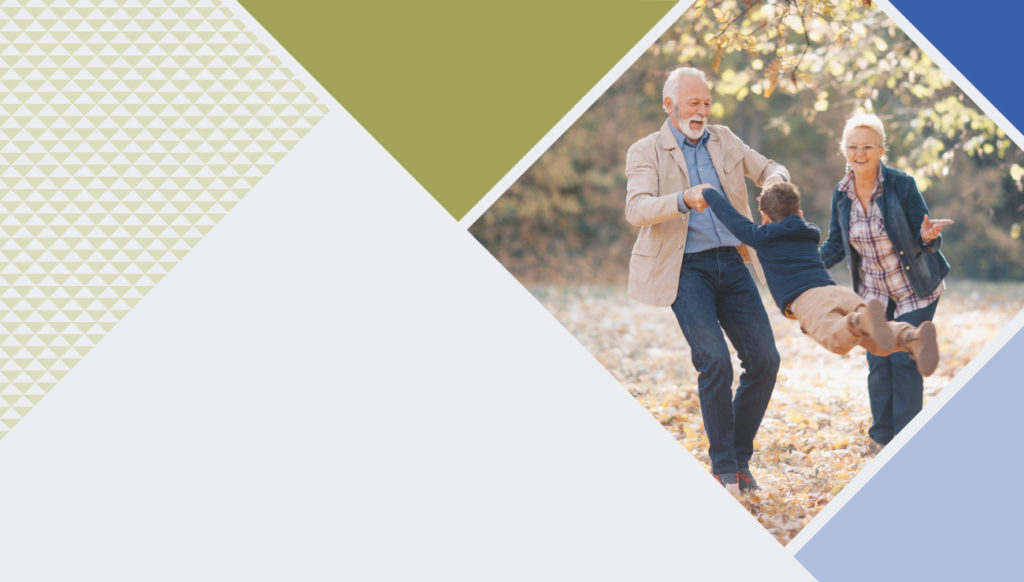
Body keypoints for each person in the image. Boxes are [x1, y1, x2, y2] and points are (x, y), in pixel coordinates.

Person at [624, 67, 789, 494]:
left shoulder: (724, 138)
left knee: (765, 359)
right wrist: (683, 198)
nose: (701, 111)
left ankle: (738, 458)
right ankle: (724, 470)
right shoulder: (646, 151)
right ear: (670, 105)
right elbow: (637, 208)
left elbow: (770, 166)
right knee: (713, 360)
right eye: (693, 103)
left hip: (733, 263)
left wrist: (775, 187)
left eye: (706, 103)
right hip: (684, 268)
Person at [685, 182, 939, 372]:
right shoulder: (810, 232)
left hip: (808, 300)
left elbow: (731, 218)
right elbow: (792, 223)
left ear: (765, 218)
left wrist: (708, 193)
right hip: (836, 291)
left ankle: (859, 321)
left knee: (836, 340)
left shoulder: (762, 236)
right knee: (877, 342)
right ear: (800, 214)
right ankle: (912, 338)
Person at [819, 113, 953, 446]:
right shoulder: (841, 193)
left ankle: (905, 441)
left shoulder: (901, 184)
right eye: (852, 147)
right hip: (873, 295)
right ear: (844, 151)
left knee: (903, 360)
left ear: (881, 150)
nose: (859, 153)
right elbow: (837, 244)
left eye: (867, 146)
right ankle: (881, 438)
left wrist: (927, 236)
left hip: (914, 289)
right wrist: (806, 267)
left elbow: (927, 236)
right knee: (878, 361)